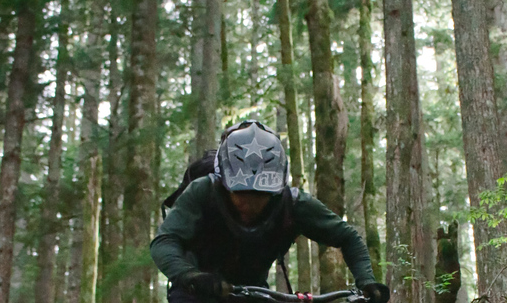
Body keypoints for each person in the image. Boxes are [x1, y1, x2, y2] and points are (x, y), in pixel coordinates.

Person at [151, 120, 391, 303]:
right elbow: (164, 241)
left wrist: (366, 282)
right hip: (195, 290)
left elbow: (348, 237)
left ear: (275, 191)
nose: (249, 204)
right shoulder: (202, 192)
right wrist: (190, 276)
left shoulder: (294, 204)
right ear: (225, 184)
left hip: (254, 290)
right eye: (241, 194)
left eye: (259, 197)